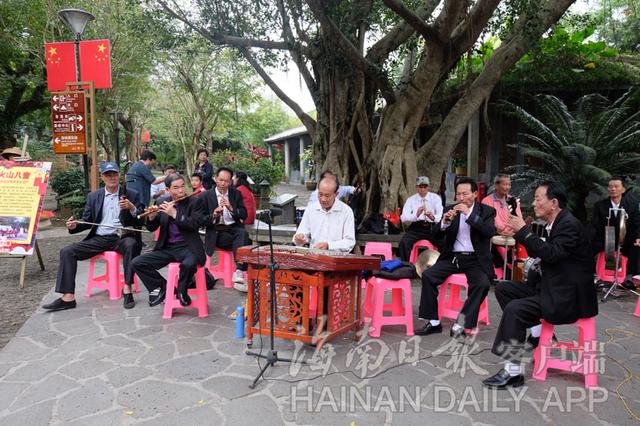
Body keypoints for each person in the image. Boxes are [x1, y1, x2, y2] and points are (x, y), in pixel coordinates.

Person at [482, 181, 598, 389]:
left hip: (567, 297)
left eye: (537, 199)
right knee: (504, 289)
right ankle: (537, 335)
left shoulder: (569, 225)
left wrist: (524, 232)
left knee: (515, 310)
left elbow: (552, 254)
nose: (533, 203)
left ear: (553, 203)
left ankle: (513, 372)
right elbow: (547, 252)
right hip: (552, 287)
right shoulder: (556, 223)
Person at [42, 162, 144, 311]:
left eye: (114, 174)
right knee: (67, 251)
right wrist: (75, 225)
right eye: (108, 174)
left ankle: (127, 288)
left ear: (119, 175)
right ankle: (68, 297)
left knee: (130, 244)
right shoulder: (94, 196)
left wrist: (132, 208)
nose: (112, 177)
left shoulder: (131, 194)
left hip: (121, 237)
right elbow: (87, 220)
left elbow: (142, 218)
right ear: (102, 177)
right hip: (99, 238)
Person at [415, 177, 496, 339]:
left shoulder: (486, 211)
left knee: (482, 283)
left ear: (474, 194)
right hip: (453, 257)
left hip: (476, 259)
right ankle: (434, 322)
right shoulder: (450, 209)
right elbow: (435, 236)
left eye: (465, 194)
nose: (460, 198)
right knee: (429, 276)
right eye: (458, 194)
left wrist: (469, 214)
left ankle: (462, 322)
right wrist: (445, 222)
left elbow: (489, 232)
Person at [131, 173, 206, 307]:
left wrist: (175, 214)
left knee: (189, 264)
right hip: (167, 248)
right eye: (176, 188)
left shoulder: (195, 201)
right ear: (167, 190)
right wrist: (152, 217)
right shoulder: (161, 202)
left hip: (188, 247)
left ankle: (182, 290)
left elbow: (195, 224)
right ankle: (165, 288)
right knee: (137, 263)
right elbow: (151, 228)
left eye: (183, 186)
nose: (181, 191)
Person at [199, 167, 251, 292]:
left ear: (231, 182)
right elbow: (200, 219)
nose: (223, 184)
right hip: (216, 231)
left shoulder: (235, 194)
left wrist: (231, 208)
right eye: (221, 180)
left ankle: (238, 270)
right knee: (242, 240)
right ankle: (241, 269)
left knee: (242, 233)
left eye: (226, 181)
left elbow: (244, 214)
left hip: (232, 227)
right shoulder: (206, 196)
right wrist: (213, 215)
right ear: (215, 179)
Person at [590, 177, 640, 282]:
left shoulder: (632, 204)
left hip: (626, 239)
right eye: (610, 186)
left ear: (623, 190)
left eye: (616, 186)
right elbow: (595, 226)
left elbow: (636, 223)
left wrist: (638, 237)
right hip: (606, 239)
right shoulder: (599, 205)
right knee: (590, 246)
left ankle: (628, 278)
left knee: (636, 246)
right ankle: (605, 278)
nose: (613, 189)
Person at [294, 174, 356, 253]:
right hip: (314, 257)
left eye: (327, 195)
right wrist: (299, 238)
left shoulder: (346, 211)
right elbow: (302, 233)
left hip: (337, 259)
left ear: (336, 194)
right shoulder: (311, 209)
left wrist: (329, 245)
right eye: (320, 194)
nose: (323, 199)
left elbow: (349, 242)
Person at [482, 174, 523, 271]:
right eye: (504, 184)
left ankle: (518, 270)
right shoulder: (487, 201)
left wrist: (513, 232)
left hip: (512, 234)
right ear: (496, 185)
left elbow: (519, 219)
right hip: (495, 233)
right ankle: (505, 270)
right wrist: (498, 230)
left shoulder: (513, 201)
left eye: (509, 184)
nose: (507, 187)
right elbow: (486, 222)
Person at [398, 176, 443, 261]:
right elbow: (403, 218)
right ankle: (406, 265)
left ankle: (440, 264)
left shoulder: (435, 198)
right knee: (404, 243)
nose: (423, 189)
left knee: (444, 242)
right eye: (420, 187)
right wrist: (416, 215)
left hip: (431, 227)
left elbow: (440, 216)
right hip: (416, 227)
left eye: (425, 187)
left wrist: (432, 217)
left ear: (428, 187)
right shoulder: (411, 199)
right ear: (416, 188)